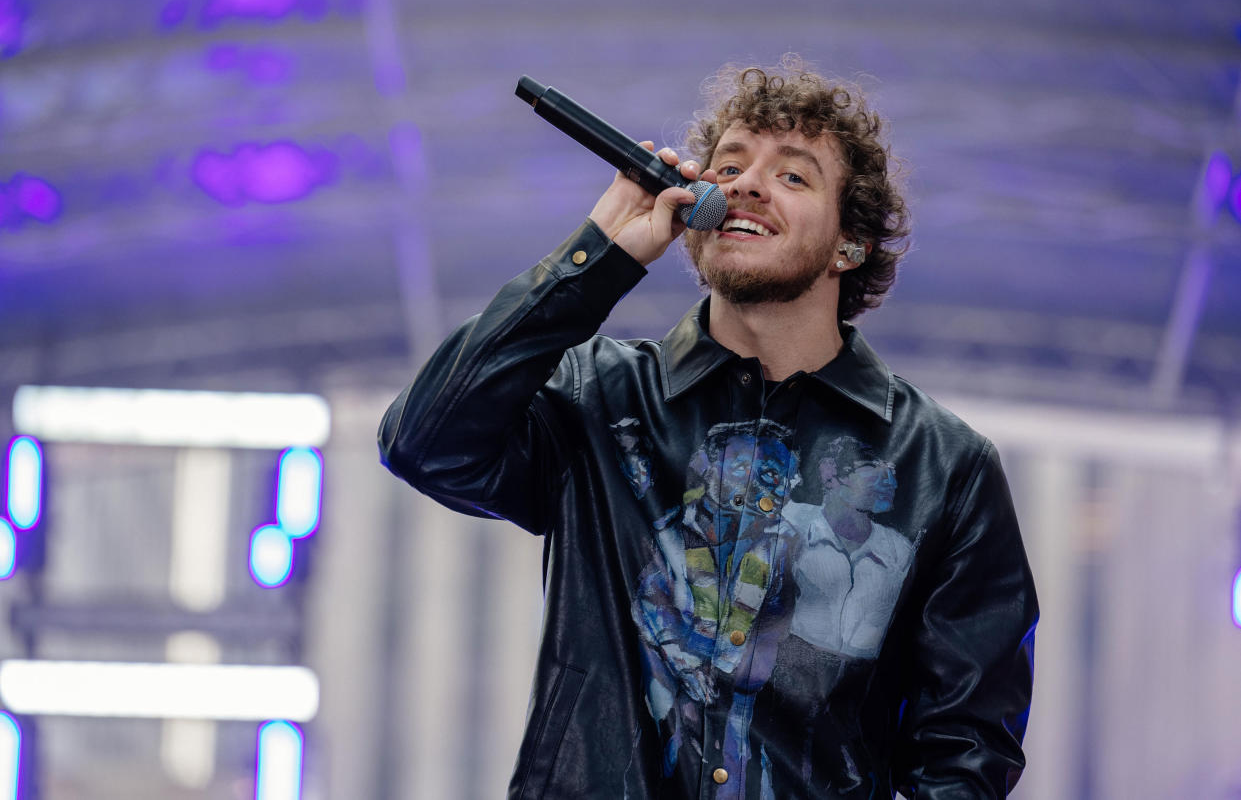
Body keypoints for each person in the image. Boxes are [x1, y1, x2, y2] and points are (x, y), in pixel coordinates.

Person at [379, 58, 1038, 799]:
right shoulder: (598, 396)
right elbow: (425, 443)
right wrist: (598, 253)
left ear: (849, 246)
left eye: (793, 176)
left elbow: (965, 749)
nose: (747, 184)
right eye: (728, 166)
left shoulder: (942, 466)